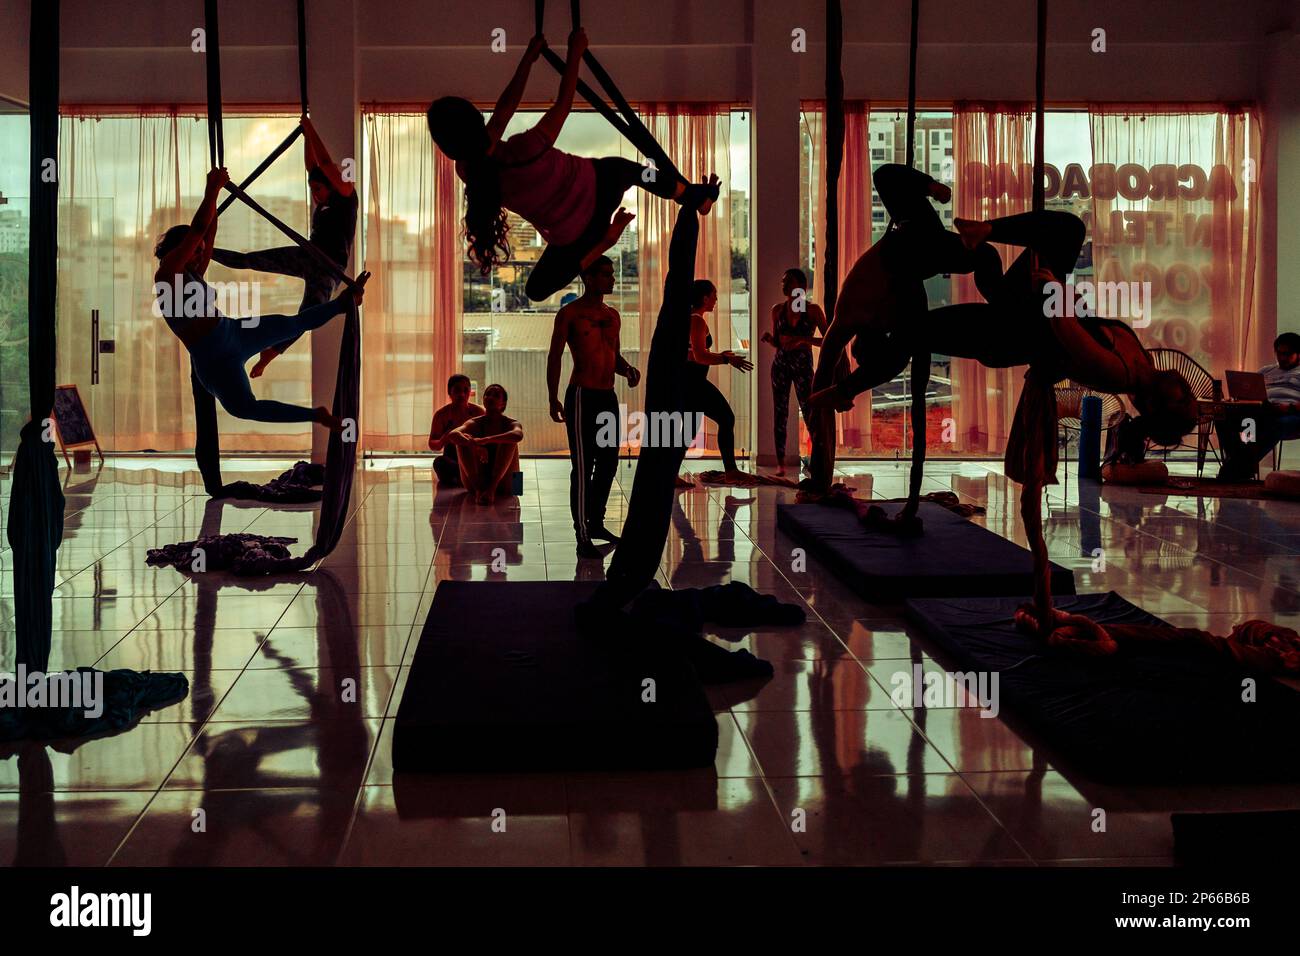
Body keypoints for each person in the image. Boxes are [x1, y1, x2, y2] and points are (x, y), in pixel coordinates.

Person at [426, 29, 719, 303]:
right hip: (601, 186)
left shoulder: (468, 170)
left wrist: (529, 58)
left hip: (576, 237)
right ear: (479, 122)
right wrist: (573, 53)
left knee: (536, 289)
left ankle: (615, 236)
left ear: (448, 149)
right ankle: (688, 195)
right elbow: (561, 105)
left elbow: (503, 111)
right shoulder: (524, 149)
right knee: (633, 170)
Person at [153, 166, 368, 431]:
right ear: (177, 249)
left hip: (234, 332)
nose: (200, 256)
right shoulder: (167, 272)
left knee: (294, 324)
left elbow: (207, 236)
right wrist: (212, 189)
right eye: (193, 251)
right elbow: (198, 230)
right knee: (245, 408)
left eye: (199, 253)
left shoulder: (191, 271)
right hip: (213, 360)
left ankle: (343, 303)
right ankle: (317, 416)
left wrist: (217, 195)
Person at [209, 116, 359, 379]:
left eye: (318, 190)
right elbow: (313, 165)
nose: (315, 196)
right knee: (250, 260)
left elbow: (323, 164)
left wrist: (311, 127)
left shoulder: (346, 194)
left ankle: (271, 353)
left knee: (307, 316)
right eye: (312, 190)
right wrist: (304, 136)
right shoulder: (324, 197)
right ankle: (205, 251)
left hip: (329, 268)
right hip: (308, 256)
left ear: (331, 185)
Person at [547, 255, 640, 558]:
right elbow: (555, 356)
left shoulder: (613, 315)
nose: (612, 279)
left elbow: (612, 355)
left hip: (607, 397)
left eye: (612, 274)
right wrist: (553, 397)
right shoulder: (570, 314)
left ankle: (596, 521)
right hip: (582, 396)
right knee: (583, 467)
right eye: (606, 274)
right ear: (589, 278)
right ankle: (582, 533)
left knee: (609, 463)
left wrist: (627, 370)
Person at [761, 268, 827, 475]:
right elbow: (778, 341)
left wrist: (802, 339)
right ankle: (780, 464)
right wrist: (770, 340)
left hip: (802, 366)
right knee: (780, 413)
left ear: (801, 286)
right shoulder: (777, 310)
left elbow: (827, 340)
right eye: (783, 282)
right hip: (780, 365)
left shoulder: (813, 310)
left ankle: (818, 459)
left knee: (810, 411)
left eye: (788, 281)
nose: (784, 285)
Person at [683, 279, 751, 481]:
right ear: (704, 298)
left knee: (689, 426)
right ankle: (731, 470)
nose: (716, 299)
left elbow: (689, 353)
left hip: (688, 380)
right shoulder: (697, 320)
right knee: (726, 417)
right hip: (693, 382)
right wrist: (726, 359)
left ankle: (669, 473)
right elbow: (700, 356)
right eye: (714, 294)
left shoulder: (689, 319)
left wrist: (722, 355)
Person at [1215, 332, 1300, 480]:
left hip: (1291, 413)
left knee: (1272, 424)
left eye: (1287, 354)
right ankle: (1242, 466)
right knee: (1226, 418)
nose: (1282, 358)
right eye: (1279, 353)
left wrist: (1289, 407)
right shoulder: (1265, 371)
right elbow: (1248, 392)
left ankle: (1237, 468)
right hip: (1262, 411)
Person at [444, 383, 524, 505]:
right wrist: (474, 445)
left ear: (503, 404)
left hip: (512, 485)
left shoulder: (511, 423)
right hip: (477, 484)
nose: (490, 397)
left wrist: (485, 440)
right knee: (463, 439)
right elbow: (453, 435)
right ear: (483, 399)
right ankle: (480, 491)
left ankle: (491, 489)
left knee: (510, 439)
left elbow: (518, 435)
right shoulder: (474, 423)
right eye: (488, 394)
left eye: (496, 395)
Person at [429, 374, 485, 487]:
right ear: (449, 392)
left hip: (474, 458)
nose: (462, 394)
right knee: (439, 463)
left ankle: (463, 478)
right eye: (457, 390)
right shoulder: (441, 415)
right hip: (453, 460)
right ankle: (465, 477)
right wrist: (445, 438)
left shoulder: (479, 412)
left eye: (465, 390)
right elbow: (433, 444)